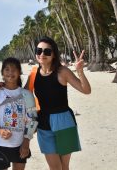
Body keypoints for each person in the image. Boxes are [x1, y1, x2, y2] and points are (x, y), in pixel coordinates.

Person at [25, 37, 91, 170]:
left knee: (64, 166)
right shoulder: (33, 74)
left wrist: (80, 71)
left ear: (53, 54)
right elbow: (22, 94)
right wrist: (3, 86)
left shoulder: (62, 72)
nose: (42, 54)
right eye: (39, 51)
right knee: (55, 167)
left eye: (47, 51)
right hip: (43, 122)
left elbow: (86, 90)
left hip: (64, 121)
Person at [0, 57, 38, 170]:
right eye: (7, 69)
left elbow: (33, 120)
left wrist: (26, 142)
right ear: (2, 73)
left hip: (20, 144)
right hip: (1, 144)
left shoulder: (27, 95)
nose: (10, 72)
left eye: (14, 69)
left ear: (19, 72)